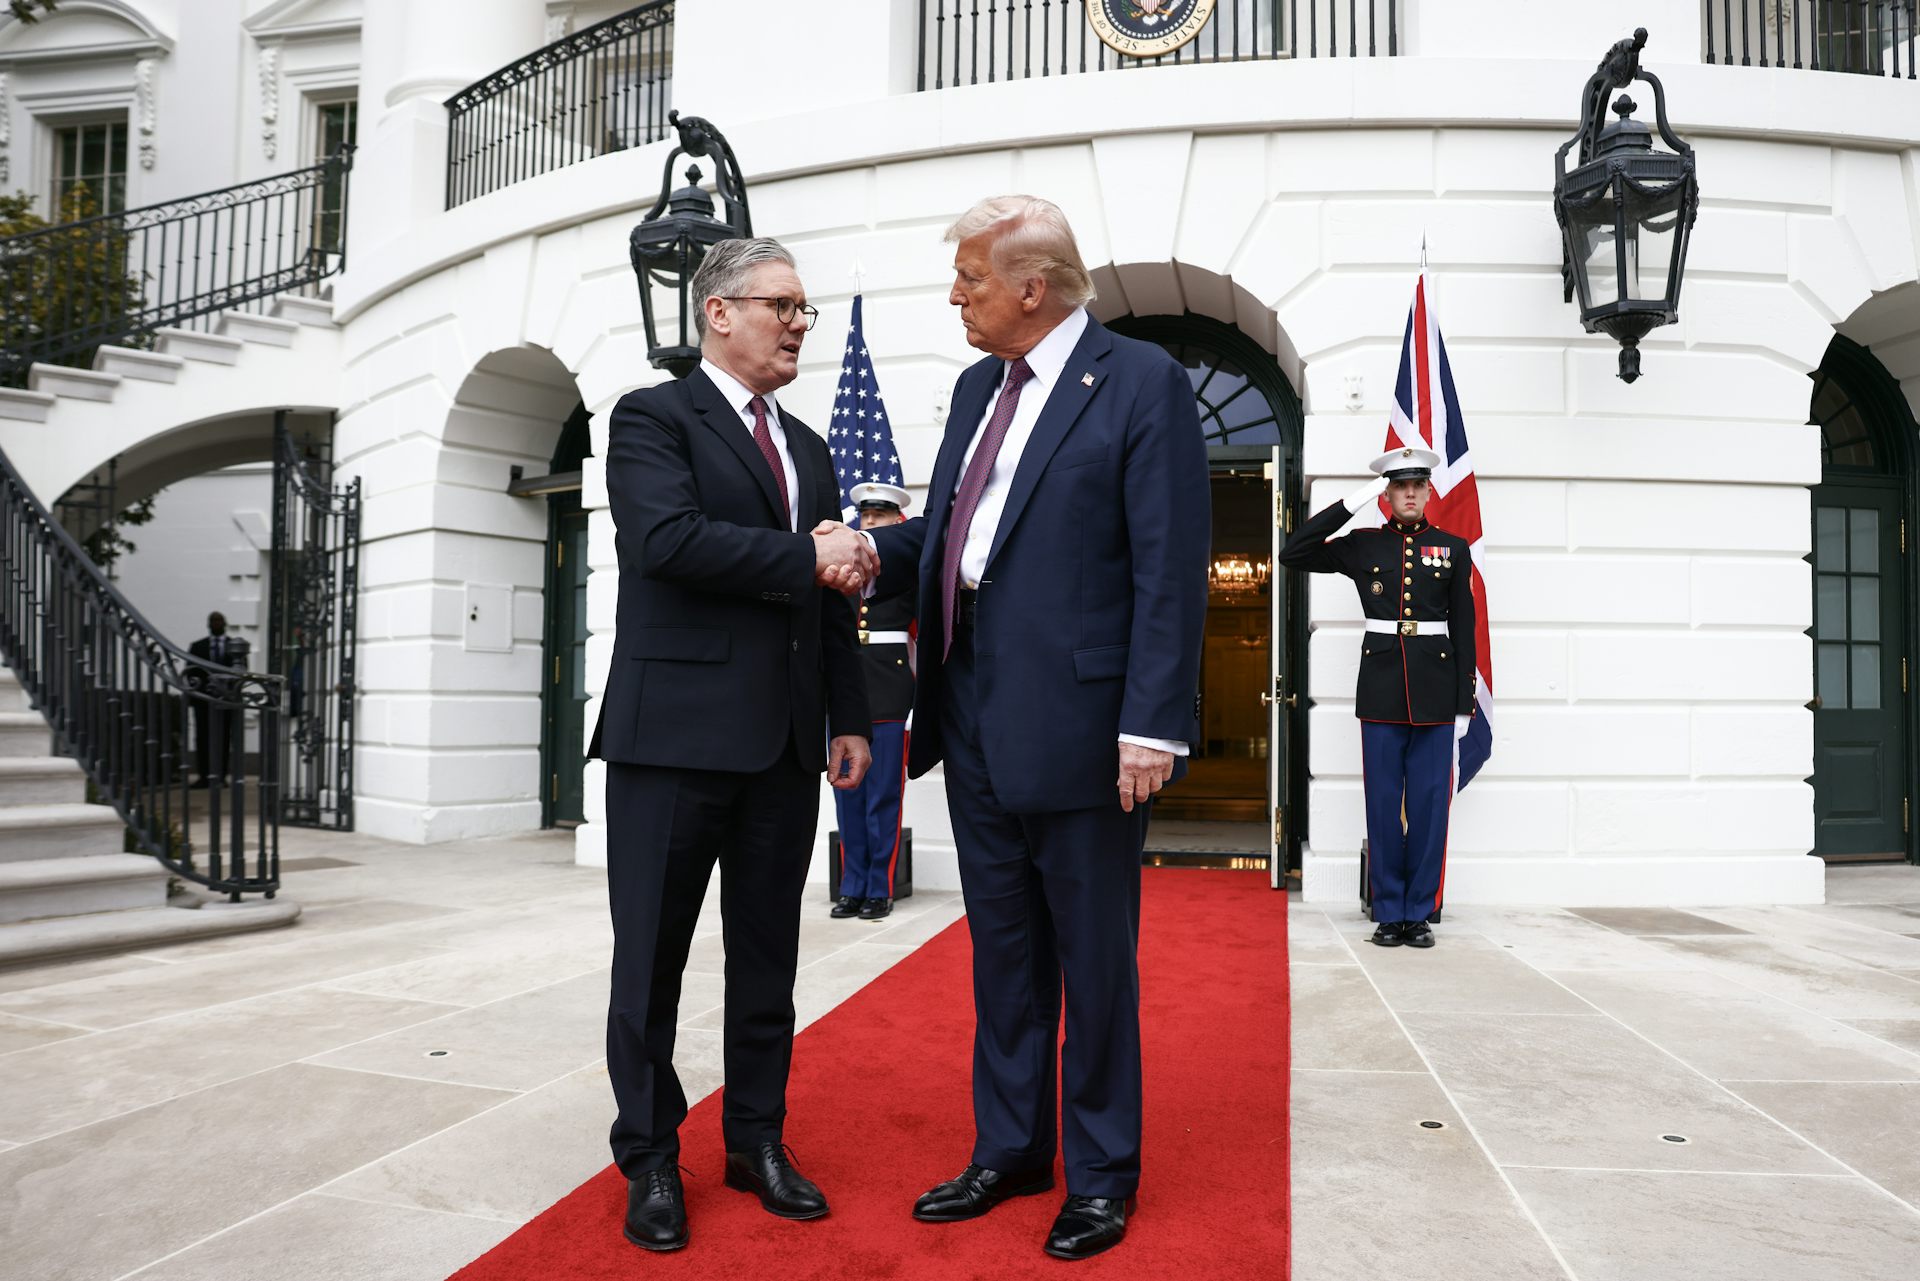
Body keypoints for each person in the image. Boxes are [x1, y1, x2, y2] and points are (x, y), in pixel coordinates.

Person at [826, 195, 1208, 1261]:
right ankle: (1012, 1150)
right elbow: (951, 536)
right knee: (1002, 953)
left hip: (1091, 729)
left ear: (1032, 288)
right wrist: (859, 549)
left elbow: (1167, 567)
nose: (956, 295)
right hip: (975, 708)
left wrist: (1152, 724)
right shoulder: (971, 389)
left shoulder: (1141, 383)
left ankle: (1099, 1174)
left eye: (971, 278)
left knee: (1093, 960)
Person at [587, 236, 876, 1254]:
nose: (802, 321)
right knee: (651, 961)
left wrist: (846, 715)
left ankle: (756, 1141)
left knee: (768, 958)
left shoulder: (808, 447)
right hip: (671, 739)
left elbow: (831, 598)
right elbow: (664, 543)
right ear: (720, 311)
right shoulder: (651, 416)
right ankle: (651, 1154)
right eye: (784, 304)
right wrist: (807, 553)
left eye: (805, 307)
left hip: (786, 746)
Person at [1276, 446, 1476, 948]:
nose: (1409, 494)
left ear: (1429, 492)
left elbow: (1466, 627)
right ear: (1387, 495)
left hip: (1435, 688)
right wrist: (1353, 501)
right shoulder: (1362, 544)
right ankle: (1388, 911)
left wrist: (1464, 700)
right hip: (1382, 688)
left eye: (1417, 486)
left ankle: (1419, 912)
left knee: (1430, 804)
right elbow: (1293, 551)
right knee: (1383, 803)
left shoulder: (1452, 548)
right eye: (1398, 487)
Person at [829, 481, 916, 923]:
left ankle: (879, 888)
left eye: (879, 518)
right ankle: (851, 885)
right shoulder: (842, 566)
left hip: (890, 691)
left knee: (883, 797)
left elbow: (923, 635)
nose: (870, 525)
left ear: (896, 522)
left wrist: (918, 703)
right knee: (848, 796)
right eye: (865, 518)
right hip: (848, 692)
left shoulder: (906, 567)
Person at [186, 611, 249, 788]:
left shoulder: (234, 647)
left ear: (225, 623)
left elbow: (241, 673)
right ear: (208, 624)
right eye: (213, 621)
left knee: (223, 738)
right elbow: (190, 673)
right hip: (203, 701)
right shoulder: (198, 647)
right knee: (202, 738)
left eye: (219, 621)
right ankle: (204, 775)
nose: (216, 624)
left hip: (226, 701)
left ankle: (220, 776)